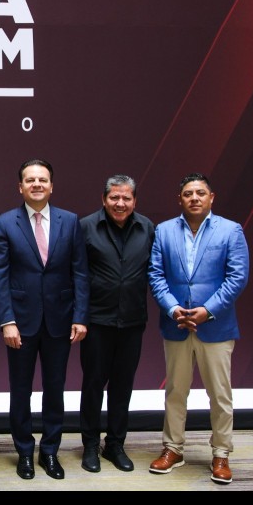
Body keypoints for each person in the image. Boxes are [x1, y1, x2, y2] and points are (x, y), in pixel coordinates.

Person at [0, 158, 89, 480]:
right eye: (30, 180)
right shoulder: (6, 222)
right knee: (20, 391)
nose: (36, 184)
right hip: (20, 323)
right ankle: (24, 452)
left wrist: (80, 316)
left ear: (51, 186)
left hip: (60, 321)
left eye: (42, 180)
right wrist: (7, 320)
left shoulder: (69, 221)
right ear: (20, 187)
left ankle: (50, 451)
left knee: (55, 389)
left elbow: (80, 272)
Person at [147, 172, 249, 485]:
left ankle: (221, 453)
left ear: (211, 197)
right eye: (188, 193)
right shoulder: (164, 231)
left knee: (220, 395)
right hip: (177, 323)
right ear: (180, 199)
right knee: (175, 392)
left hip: (215, 326)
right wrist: (173, 308)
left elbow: (237, 277)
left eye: (200, 193)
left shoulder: (231, 230)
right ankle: (173, 449)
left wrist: (208, 310)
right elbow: (156, 275)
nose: (194, 198)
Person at [78, 175, 154, 473]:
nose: (120, 203)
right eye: (114, 197)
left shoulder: (147, 228)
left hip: (132, 321)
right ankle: (89, 445)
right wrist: (79, 318)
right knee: (93, 385)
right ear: (104, 199)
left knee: (123, 386)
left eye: (126, 198)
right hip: (96, 321)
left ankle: (115, 445)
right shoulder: (86, 227)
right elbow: (77, 275)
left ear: (134, 201)